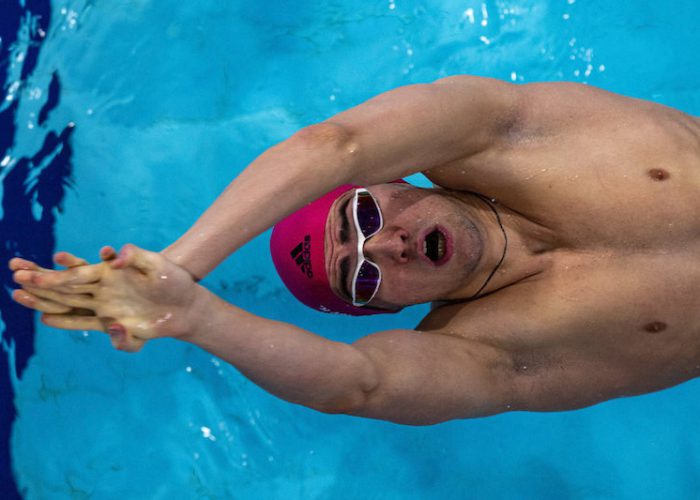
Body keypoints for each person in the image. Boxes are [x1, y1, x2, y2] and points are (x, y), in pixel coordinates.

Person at [9, 76, 700, 425]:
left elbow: (337, 144)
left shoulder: (509, 133)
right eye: (361, 276)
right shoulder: (492, 350)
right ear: (388, 309)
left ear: (393, 177)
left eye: (362, 212)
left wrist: (183, 262)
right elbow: (358, 383)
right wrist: (193, 315)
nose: (384, 244)